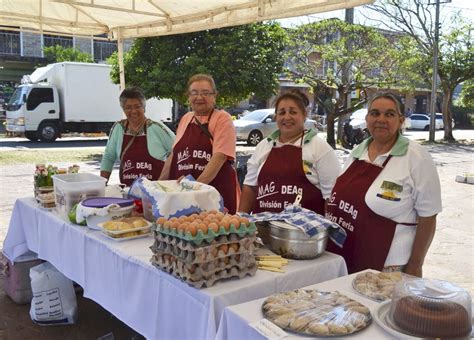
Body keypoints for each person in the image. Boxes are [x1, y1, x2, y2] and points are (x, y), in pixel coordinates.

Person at [325, 92, 442, 277]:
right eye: (375, 113)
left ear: (401, 120)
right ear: (367, 118)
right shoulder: (357, 151)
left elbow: (428, 217)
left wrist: (415, 265)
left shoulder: (416, 158)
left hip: (388, 268)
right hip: (347, 256)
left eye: (389, 114)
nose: (381, 119)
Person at [238, 90, 340, 215]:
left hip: (304, 232)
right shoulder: (264, 146)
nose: (287, 117)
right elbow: (250, 188)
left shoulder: (320, 149)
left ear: (304, 114)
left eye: (293, 112)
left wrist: (328, 231)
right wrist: (241, 219)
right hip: (263, 229)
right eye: (282, 112)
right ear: (276, 117)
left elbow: (331, 197)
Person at [159, 74, 240, 213]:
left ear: (214, 96)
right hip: (184, 198)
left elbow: (219, 157)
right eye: (194, 93)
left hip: (214, 197)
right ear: (188, 97)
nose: (199, 97)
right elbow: (174, 156)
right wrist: (158, 186)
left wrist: (193, 189)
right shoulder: (186, 119)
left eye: (205, 93)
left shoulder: (222, 118)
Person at [100, 87, 175, 186]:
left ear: (144, 107)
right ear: (123, 109)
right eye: (128, 107)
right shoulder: (119, 128)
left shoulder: (157, 128)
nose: (134, 111)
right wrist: (102, 185)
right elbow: (109, 157)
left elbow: (177, 151)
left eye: (137, 106)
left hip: (155, 194)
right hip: (128, 192)